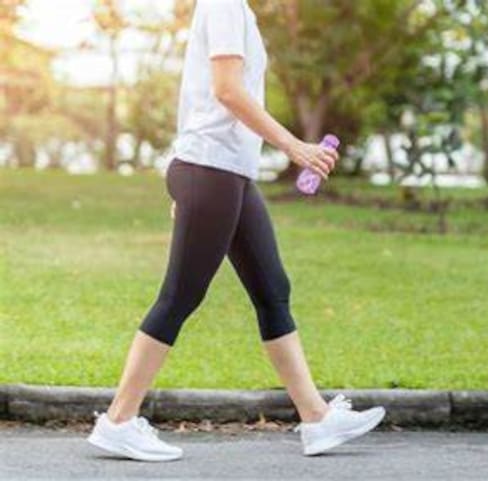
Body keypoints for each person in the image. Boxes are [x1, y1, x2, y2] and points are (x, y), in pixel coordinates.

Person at [86, 0, 385, 461]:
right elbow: (226, 91)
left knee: (272, 290)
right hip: (211, 169)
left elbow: (206, 96)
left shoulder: (236, 9)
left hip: (225, 174)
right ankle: (118, 421)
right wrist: (294, 147)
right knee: (180, 296)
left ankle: (317, 419)